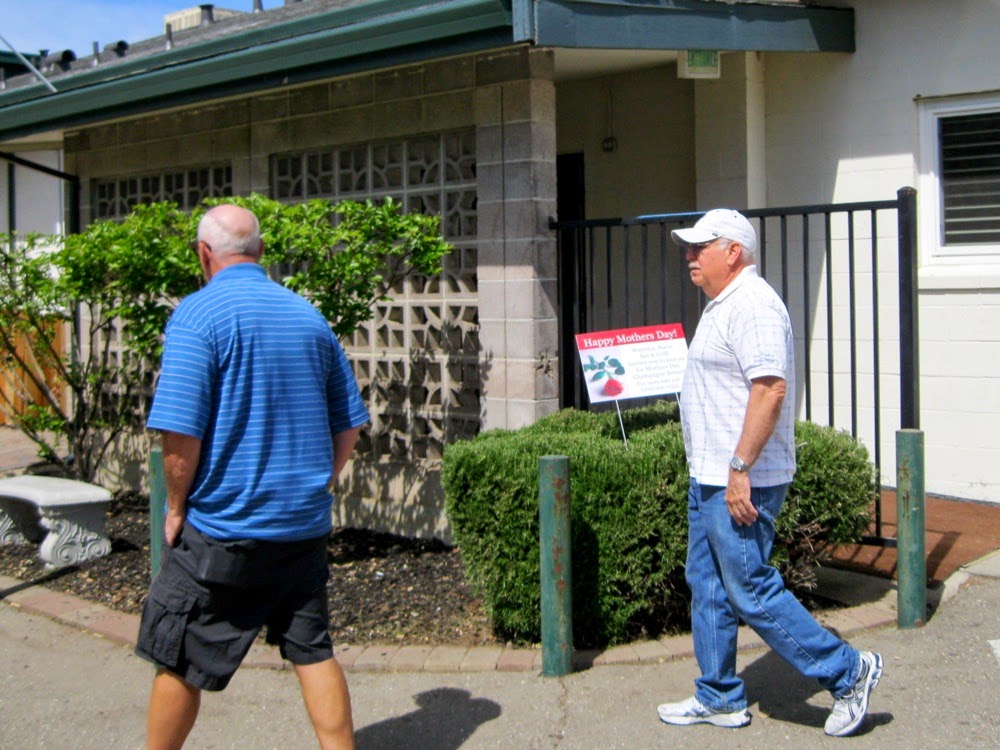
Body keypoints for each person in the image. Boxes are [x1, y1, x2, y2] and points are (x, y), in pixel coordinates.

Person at [136, 204, 369, 750]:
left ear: (203, 254)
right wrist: (319, 485)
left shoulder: (197, 315)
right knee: (313, 651)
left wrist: (175, 507)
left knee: (177, 655)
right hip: (301, 531)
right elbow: (350, 426)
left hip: (225, 533)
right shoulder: (309, 316)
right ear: (260, 252)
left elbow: (179, 434)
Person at [657, 209, 883, 738]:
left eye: (700, 247)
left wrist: (740, 468)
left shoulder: (754, 306)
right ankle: (717, 696)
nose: (690, 256)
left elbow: (770, 390)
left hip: (739, 477)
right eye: (689, 248)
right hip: (710, 474)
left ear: (733, 251)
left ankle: (849, 672)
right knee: (708, 583)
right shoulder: (722, 305)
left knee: (750, 589)